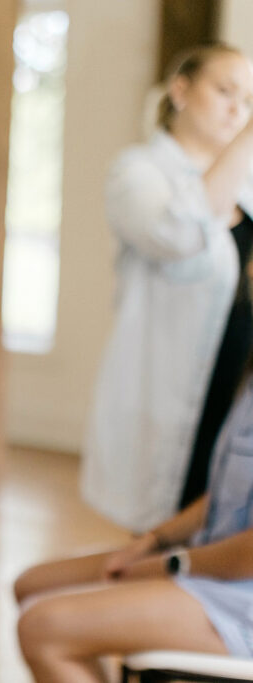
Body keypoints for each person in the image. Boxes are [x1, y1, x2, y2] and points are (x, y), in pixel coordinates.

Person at [82, 44, 253, 532]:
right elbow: (179, 234)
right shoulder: (137, 172)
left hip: (239, 387)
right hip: (177, 392)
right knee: (164, 530)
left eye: (247, 100)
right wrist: (246, 141)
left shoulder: (246, 183)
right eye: (225, 91)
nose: (238, 109)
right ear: (181, 90)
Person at [15, 361, 253, 682]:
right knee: (30, 585)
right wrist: (153, 541)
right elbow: (223, 494)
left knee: (42, 629)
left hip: (238, 598)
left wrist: (169, 564)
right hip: (209, 561)